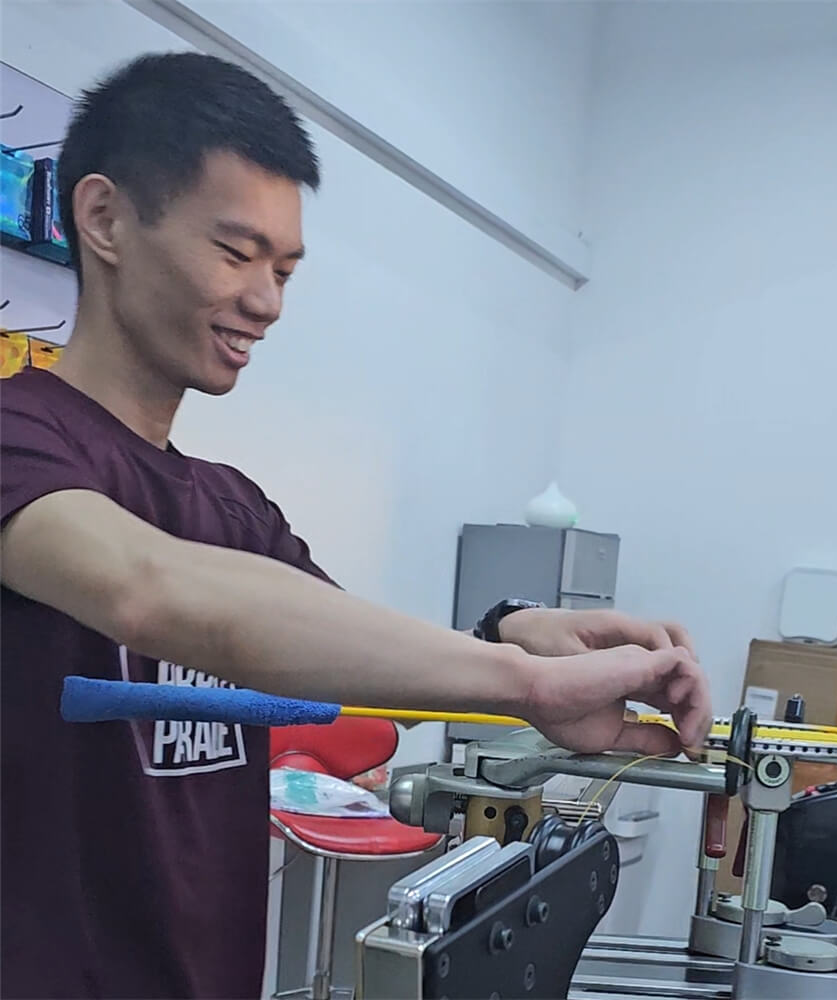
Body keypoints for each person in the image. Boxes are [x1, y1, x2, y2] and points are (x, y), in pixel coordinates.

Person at [0, 52, 711, 999]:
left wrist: (502, 634)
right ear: (103, 219)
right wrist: (523, 678)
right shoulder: (20, 441)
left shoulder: (232, 505)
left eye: (285, 268)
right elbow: (148, 588)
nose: (266, 302)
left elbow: (353, 674)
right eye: (235, 251)